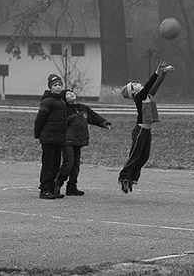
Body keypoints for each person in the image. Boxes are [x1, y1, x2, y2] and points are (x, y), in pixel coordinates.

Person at [117, 61, 174, 193]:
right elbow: (149, 85)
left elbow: (155, 86)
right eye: (135, 85)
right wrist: (156, 72)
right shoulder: (139, 97)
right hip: (140, 131)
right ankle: (123, 178)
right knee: (134, 156)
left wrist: (163, 73)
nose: (138, 83)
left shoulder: (148, 95)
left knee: (144, 157)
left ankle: (131, 179)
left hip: (146, 131)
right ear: (133, 92)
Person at [55, 90, 112, 196]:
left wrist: (104, 123)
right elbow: (59, 123)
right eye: (67, 94)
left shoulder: (82, 108)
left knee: (76, 165)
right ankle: (57, 185)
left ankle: (72, 187)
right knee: (68, 163)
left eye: (72, 93)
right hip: (67, 140)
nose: (71, 94)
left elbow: (94, 117)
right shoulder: (63, 110)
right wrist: (69, 119)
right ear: (64, 98)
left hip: (79, 140)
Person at [34, 73, 68, 200]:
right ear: (50, 87)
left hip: (58, 138)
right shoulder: (47, 101)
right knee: (48, 164)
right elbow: (40, 119)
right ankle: (44, 189)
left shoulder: (61, 101)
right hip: (48, 138)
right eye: (55, 85)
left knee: (55, 165)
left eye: (60, 85)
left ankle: (52, 188)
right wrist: (38, 134)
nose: (58, 87)